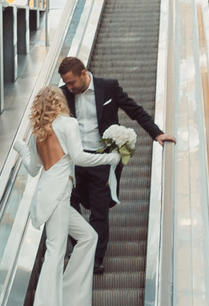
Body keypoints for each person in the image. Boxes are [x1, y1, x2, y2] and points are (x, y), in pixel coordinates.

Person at [58, 55, 174, 270]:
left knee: (99, 210)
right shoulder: (64, 94)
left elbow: (135, 110)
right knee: (72, 204)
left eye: (72, 82)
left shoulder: (108, 88)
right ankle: (81, 247)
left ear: (84, 73)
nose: (69, 87)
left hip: (102, 159)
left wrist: (157, 134)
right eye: (66, 83)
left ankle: (95, 260)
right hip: (75, 160)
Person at [26, 86, 107, 306]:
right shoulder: (67, 124)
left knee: (88, 237)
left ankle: (70, 298)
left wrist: (21, 150)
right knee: (55, 251)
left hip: (48, 192)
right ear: (59, 101)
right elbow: (80, 158)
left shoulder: (36, 132)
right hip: (60, 192)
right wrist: (109, 158)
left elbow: (32, 170)